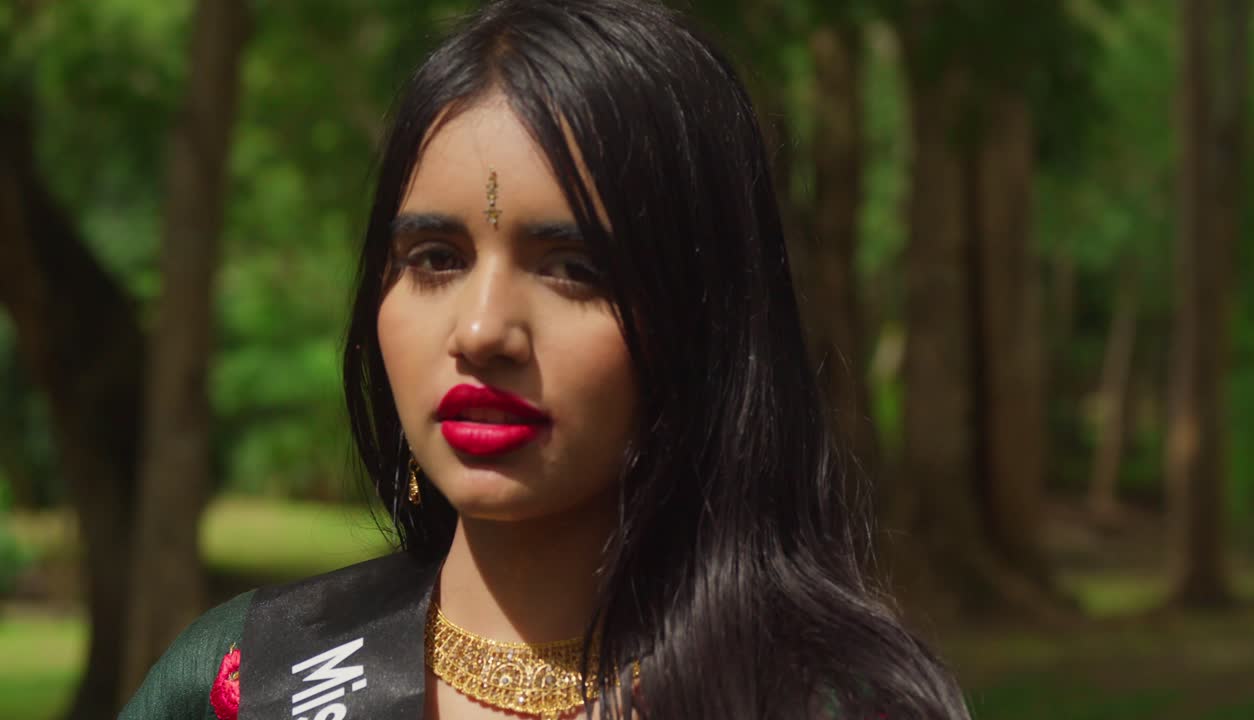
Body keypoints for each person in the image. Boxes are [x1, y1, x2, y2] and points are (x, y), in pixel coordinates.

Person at [119, 1, 971, 718]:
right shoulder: (242, 680)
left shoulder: (826, 704)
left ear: (707, 320)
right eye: (435, 259)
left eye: (574, 269)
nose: (482, 329)